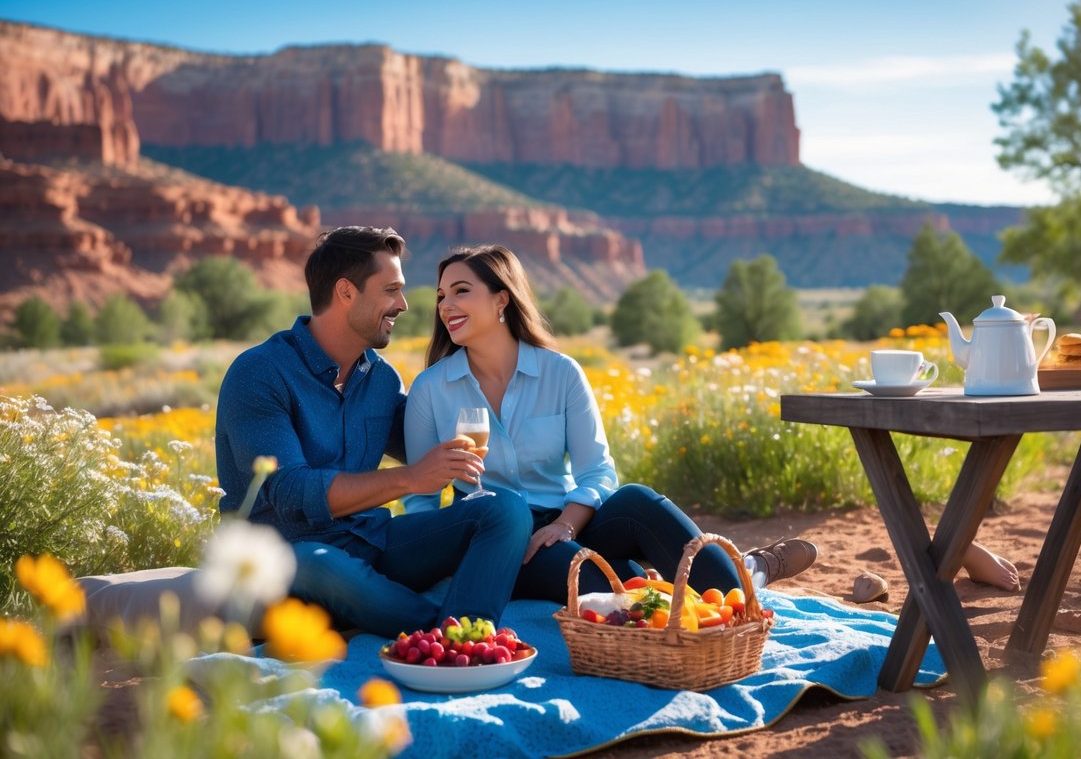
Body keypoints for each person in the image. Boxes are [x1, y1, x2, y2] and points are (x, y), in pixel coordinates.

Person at [402, 244, 818, 602]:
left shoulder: (560, 373)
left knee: (637, 500)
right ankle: (690, 583)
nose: (445, 306)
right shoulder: (431, 388)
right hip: (497, 537)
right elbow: (421, 499)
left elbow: (597, 471)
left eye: (460, 291)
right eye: (441, 296)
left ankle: (743, 586)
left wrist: (566, 524)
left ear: (501, 300)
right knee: (600, 581)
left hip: (567, 519)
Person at [215, 227, 532, 638]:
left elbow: (430, 446)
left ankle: (458, 637)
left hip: (373, 540)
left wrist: (497, 369)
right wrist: (412, 479)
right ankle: (455, 638)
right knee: (318, 562)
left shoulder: (381, 381)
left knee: (503, 510)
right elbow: (293, 493)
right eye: (391, 290)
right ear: (346, 292)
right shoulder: (259, 373)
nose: (402, 304)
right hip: (289, 556)